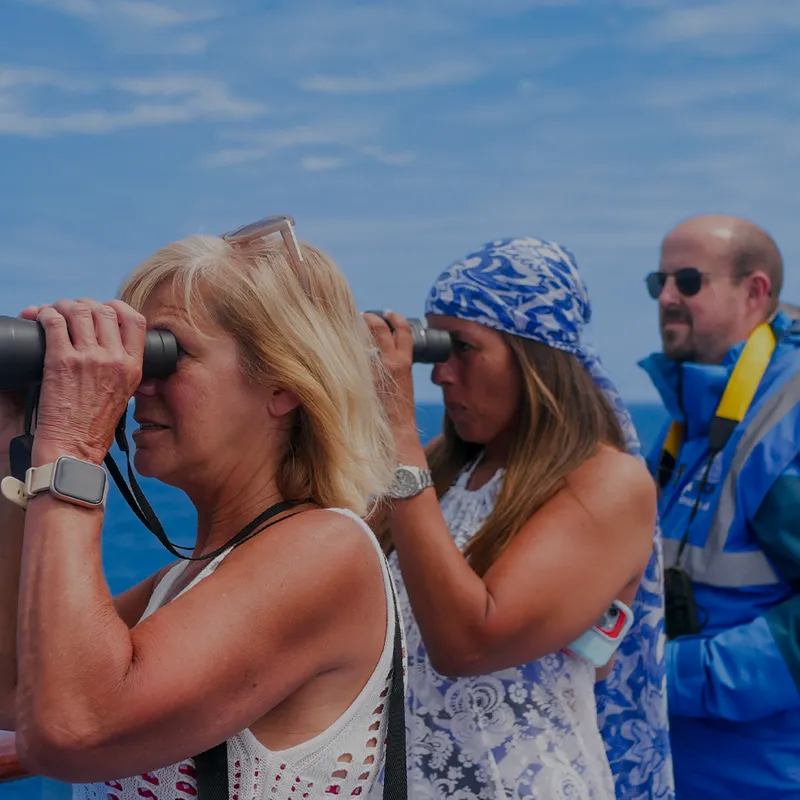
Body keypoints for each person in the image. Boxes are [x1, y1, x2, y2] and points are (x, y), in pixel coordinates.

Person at [0, 215, 404, 799]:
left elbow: (71, 729)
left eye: (166, 355)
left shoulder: (325, 548)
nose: (137, 384)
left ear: (282, 384)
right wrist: (20, 435)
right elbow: (17, 690)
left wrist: (73, 446)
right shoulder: (190, 581)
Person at [365, 237, 672, 800]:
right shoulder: (440, 470)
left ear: (533, 359)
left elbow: (468, 645)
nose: (439, 376)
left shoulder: (609, 483)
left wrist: (400, 436)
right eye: (438, 348)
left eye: (463, 348)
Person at [640, 214, 800, 798]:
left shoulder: (785, 423)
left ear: (755, 291)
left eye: (688, 280)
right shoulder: (688, 420)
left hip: (762, 778)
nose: (669, 298)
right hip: (677, 766)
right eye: (659, 283)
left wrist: (664, 674)